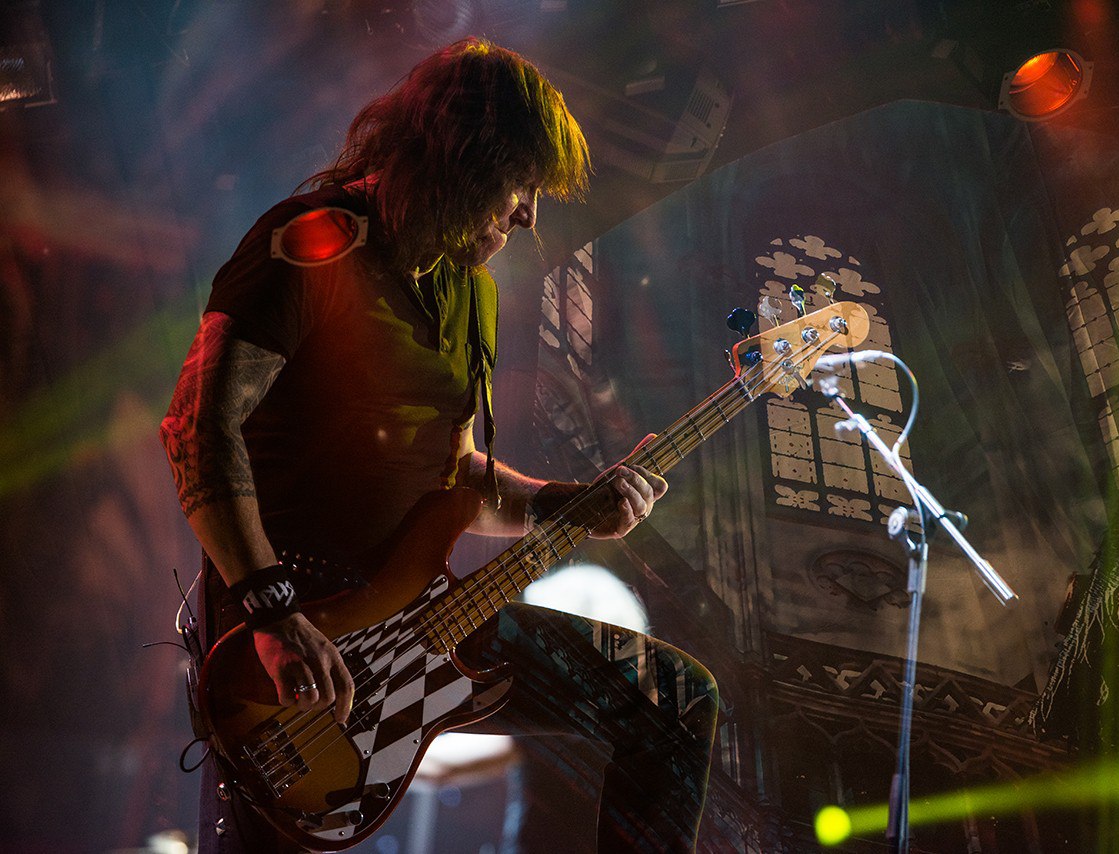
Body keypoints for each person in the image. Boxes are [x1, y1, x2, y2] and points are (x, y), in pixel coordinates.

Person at [160, 37, 717, 853]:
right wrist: (274, 612)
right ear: (459, 161)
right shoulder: (314, 243)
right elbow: (196, 428)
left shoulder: (472, 293)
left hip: (420, 617)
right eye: (520, 185)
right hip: (296, 629)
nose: (529, 215)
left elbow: (454, 476)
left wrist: (564, 503)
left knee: (674, 700)